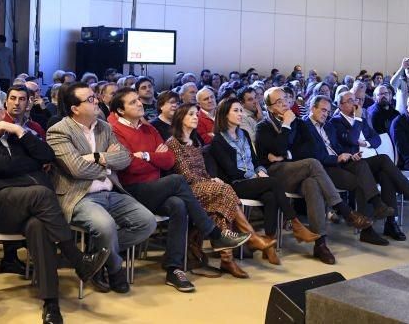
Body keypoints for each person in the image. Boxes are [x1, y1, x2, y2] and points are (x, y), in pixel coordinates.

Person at [0, 94, 109, 324]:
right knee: (41, 193)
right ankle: (77, 259)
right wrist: (32, 166)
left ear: (2, 113)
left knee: (39, 226)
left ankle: (51, 304)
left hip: (30, 208)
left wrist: (20, 132)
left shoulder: (18, 136)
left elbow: (47, 156)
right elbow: (4, 166)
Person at [107, 87, 251, 291]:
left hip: (156, 187)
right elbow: (128, 166)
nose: (140, 103)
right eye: (133, 102)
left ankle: (173, 268)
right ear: (120, 111)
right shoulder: (114, 130)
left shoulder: (149, 129)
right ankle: (214, 233)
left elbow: (168, 160)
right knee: (177, 181)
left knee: (179, 204)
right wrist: (153, 157)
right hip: (131, 190)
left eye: (139, 100)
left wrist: (146, 156)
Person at [46, 83, 157, 296]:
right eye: (89, 100)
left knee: (147, 222)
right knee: (106, 227)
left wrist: (98, 157)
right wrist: (106, 165)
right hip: (79, 196)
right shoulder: (58, 131)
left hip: (110, 192)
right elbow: (76, 169)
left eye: (94, 97)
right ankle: (115, 270)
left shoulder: (104, 127)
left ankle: (97, 254)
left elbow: (124, 159)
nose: (96, 101)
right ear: (74, 108)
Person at [255, 87, 372, 265]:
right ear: (270, 108)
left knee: (312, 183)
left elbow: (309, 149)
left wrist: (288, 154)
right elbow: (276, 151)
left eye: (286, 99)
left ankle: (320, 243)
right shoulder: (263, 126)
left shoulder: (299, 123)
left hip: (299, 171)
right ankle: (344, 210)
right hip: (275, 175)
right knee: (312, 163)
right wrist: (286, 127)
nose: (285, 103)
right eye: (279, 102)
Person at [167, 103, 276, 276]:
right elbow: (185, 175)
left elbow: (202, 170)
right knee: (224, 190)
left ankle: (227, 260)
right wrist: (210, 182)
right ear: (180, 119)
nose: (196, 117)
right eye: (191, 114)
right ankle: (252, 237)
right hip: (186, 190)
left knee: (221, 208)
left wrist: (210, 180)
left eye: (196, 114)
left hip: (203, 187)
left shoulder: (195, 142)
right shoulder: (173, 143)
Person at [210, 97, 320, 262]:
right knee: (274, 182)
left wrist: (260, 171)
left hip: (252, 181)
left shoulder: (244, 134)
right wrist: (254, 175)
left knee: (270, 196)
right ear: (225, 114)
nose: (240, 114)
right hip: (235, 184)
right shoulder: (218, 140)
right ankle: (296, 224)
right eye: (236, 110)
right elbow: (231, 171)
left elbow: (256, 161)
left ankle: (269, 245)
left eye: (241, 110)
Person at [325, 93, 409, 241]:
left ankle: (391, 223)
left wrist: (365, 143)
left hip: (364, 160)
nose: (355, 103)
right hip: (348, 164)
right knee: (381, 163)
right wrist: (358, 119)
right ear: (340, 105)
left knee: (386, 172)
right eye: (350, 101)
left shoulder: (361, 121)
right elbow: (352, 139)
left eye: (355, 100)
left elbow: (377, 139)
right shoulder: (336, 122)